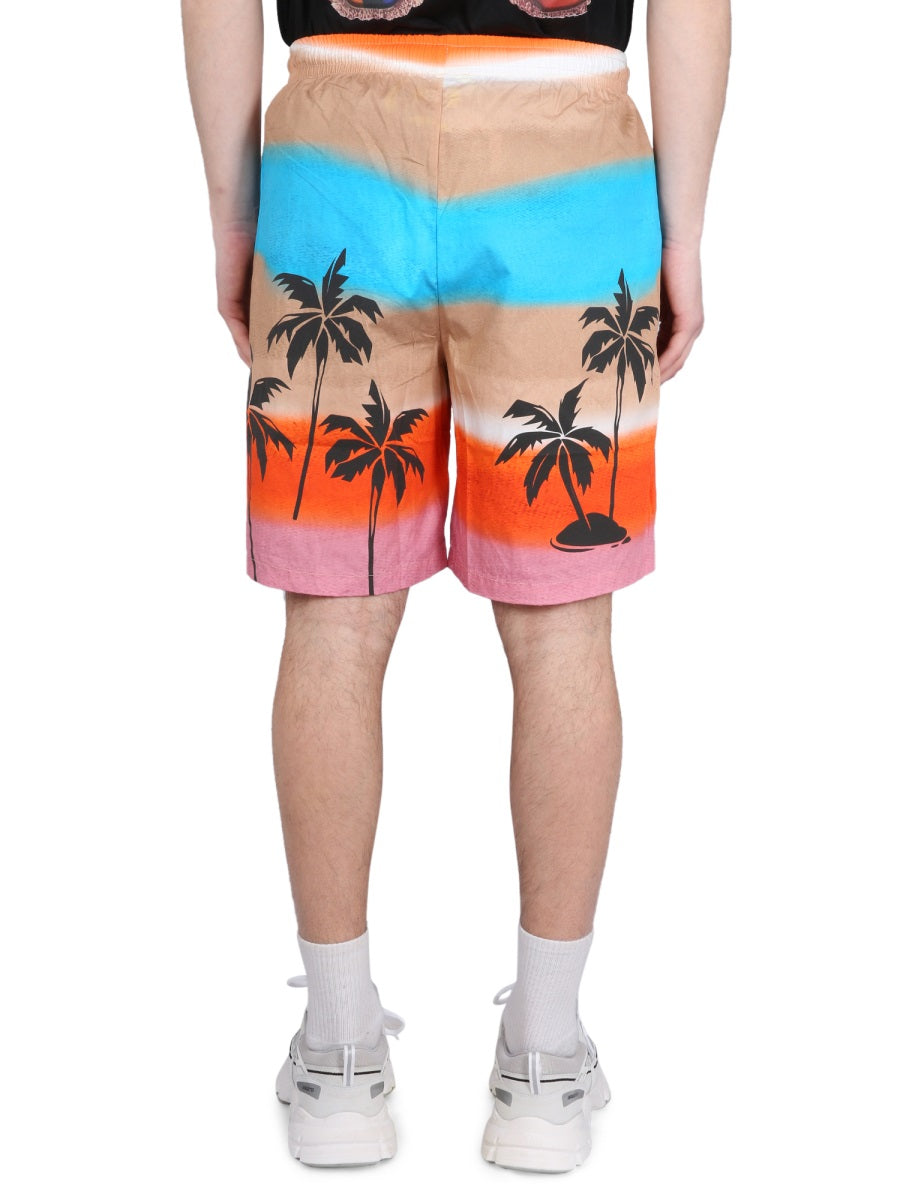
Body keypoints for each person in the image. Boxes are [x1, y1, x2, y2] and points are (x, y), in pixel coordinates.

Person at [182, 0, 730, 1174]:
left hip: (337, 150)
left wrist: (235, 214)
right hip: (566, 152)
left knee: (335, 620)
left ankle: (338, 1056)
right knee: (563, 629)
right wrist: (682, 231)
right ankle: (545, 1062)